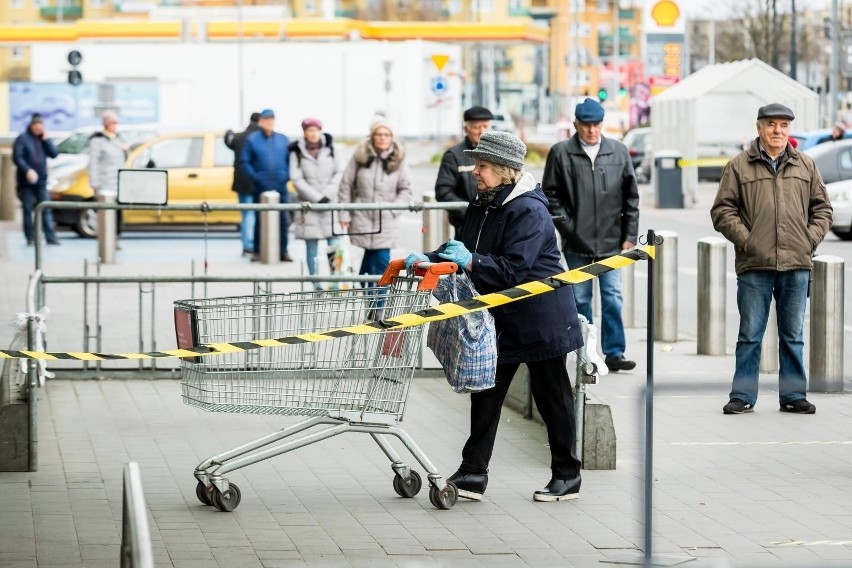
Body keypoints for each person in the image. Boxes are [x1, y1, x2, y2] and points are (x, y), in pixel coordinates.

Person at [404, 131, 584, 503]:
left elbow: (514, 269)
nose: (475, 171)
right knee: (486, 392)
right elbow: (462, 250)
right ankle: (473, 473)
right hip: (502, 317)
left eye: (482, 166)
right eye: (476, 164)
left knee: (553, 397)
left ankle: (567, 475)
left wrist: (472, 261)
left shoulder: (528, 210)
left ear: (504, 170)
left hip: (541, 318)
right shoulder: (483, 203)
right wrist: (428, 258)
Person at [711, 103, 833, 415]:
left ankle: (793, 395)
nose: (778, 131)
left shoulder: (805, 165)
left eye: (783, 126)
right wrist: (748, 240)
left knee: (793, 336)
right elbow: (722, 210)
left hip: (796, 264)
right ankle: (742, 395)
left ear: (789, 130)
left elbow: (823, 209)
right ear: (759, 128)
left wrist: (808, 239)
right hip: (755, 264)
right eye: (771, 125)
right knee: (750, 336)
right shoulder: (738, 166)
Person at [542, 98, 639, 373]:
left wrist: (629, 234)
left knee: (613, 298)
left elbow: (631, 197)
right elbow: (550, 196)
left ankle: (615, 353)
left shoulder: (618, 152)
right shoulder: (561, 153)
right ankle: (583, 351)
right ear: (576, 125)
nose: (592, 131)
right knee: (581, 299)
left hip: (611, 243)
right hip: (576, 243)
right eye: (586, 126)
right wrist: (569, 230)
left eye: (596, 125)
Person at [338, 116, 411, 281]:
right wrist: (345, 214)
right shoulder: (360, 157)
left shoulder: (399, 160)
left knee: (382, 264)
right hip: (361, 217)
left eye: (387, 134)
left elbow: (406, 189)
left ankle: (378, 305)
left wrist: (392, 210)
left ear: (392, 138)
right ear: (372, 136)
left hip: (386, 221)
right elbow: (346, 185)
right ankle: (371, 300)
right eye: (379, 134)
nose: (383, 137)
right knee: (369, 263)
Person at [289, 118, 343, 289]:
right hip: (309, 207)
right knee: (311, 248)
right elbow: (296, 178)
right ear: (304, 132)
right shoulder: (296, 152)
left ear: (321, 131)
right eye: (309, 130)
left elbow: (340, 172)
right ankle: (316, 285)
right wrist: (317, 198)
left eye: (315, 130)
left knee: (334, 246)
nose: (313, 133)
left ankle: (335, 282)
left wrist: (327, 194)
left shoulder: (332, 149)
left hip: (330, 205)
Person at [241, 108, 292, 262]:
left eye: (272, 120)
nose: (269, 123)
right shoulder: (252, 140)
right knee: (259, 218)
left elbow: (291, 161)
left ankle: (283, 251)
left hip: (280, 186)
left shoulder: (283, 139)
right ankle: (257, 251)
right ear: (261, 122)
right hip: (260, 187)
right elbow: (244, 161)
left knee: (283, 219)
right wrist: (255, 177)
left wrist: (286, 176)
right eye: (266, 120)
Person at [434, 106, 493, 235]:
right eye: (476, 127)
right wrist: (470, 212)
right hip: (466, 228)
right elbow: (443, 192)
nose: (481, 131)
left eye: (485, 126)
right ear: (466, 129)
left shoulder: (497, 155)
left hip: (494, 224)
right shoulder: (454, 155)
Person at [13, 114, 60, 246]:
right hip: (25, 181)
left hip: (41, 180)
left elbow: (54, 154)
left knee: (46, 207)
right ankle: (30, 237)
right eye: (37, 127)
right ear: (32, 126)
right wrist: (27, 170)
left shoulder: (43, 139)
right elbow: (18, 157)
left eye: (41, 127)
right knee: (28, 209)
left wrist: (47, 140)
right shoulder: (23, 138)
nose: (39, 129)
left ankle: (50, 236)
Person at [88, 110, 127, 242]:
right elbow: (93, 163)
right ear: (106, 123)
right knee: (105, 212)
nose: (115, 125)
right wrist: (94, 183)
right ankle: (105, 238)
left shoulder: (117, 139)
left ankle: (116, 236)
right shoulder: (97, 140)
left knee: (117, 212)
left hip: (118, 182)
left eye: (116, 122)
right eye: (113, 122)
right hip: (104, 183)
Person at [225, 112, 260, 257]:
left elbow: (229, 142)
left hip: (241, 182)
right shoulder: (260, 138)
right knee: (257, 214)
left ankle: (247, 245)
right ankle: (253, 244)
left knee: (246, 214)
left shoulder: (239, 137)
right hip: (257, 181)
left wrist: (228, 133)